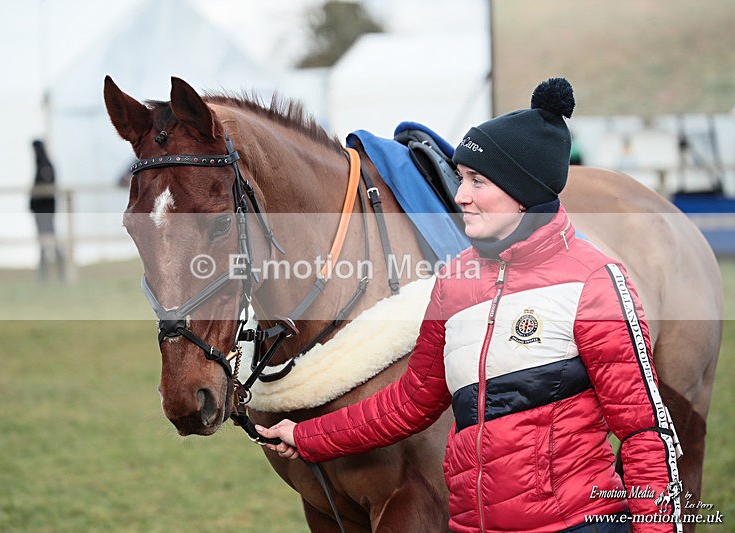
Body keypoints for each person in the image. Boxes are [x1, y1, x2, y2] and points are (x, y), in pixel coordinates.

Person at [257, 78, 683, 532]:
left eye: (478, 181)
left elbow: (645, 434)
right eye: (461, 178)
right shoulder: (454, 281)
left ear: (523, 193)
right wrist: (306, 436)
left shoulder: (595, 283)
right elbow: (411, 402)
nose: (460, 196)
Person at [29, 139, 65, 281]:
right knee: (45, 242)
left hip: (45, 211)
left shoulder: (45, 166)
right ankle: (45, 275)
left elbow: (46, 188)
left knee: (50, 241)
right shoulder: (41, 166)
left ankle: (58, 272)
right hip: (41, 211)